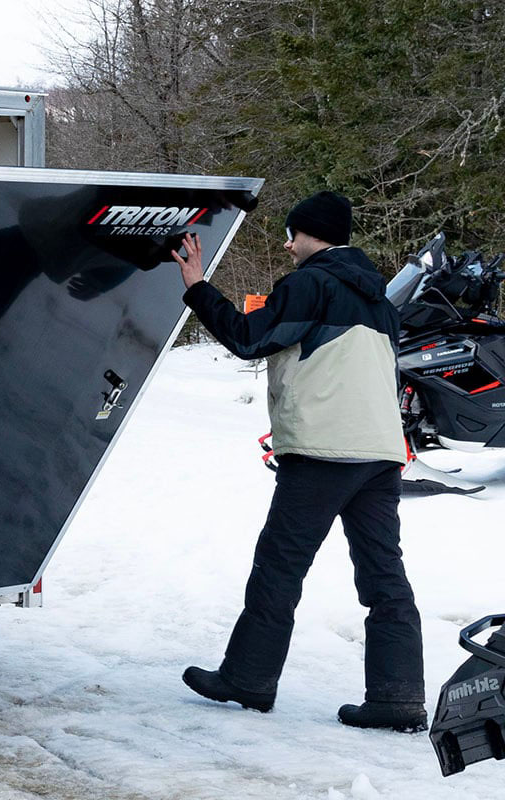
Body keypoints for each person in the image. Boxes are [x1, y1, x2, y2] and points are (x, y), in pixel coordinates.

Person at [171, 191, 426, 731]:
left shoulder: (310, 284)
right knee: (385, 575)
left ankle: (249, 678)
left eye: (292, 235)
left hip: (322, 450)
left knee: (280, 566)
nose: (287, 246)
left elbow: (249, 339)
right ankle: (398, 698)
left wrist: (197, 286)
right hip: (380, 453)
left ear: (312, 233)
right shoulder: (381, 299)